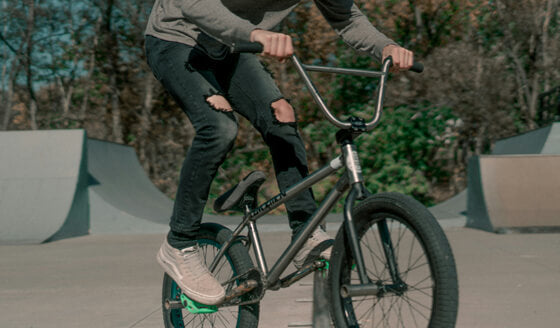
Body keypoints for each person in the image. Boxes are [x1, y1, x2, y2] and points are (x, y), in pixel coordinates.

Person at [145, 0, 414, 306]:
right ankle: (179, 244)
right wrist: (255, 33)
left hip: (232, 48)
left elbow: (346, 18)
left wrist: (386, 46)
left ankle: (305, 235)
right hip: (176, 40)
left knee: (282, 116)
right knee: (219, 128)